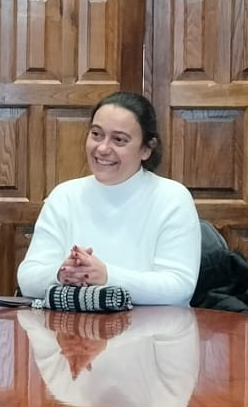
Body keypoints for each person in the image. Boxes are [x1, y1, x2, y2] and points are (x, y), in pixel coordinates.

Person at [16, 91, 200, 306]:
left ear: (147, 149)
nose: (102, 148)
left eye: (119, 140)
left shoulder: (172, 198)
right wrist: (62, 273)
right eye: (96, 134)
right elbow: (27, 279)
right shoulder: (64, 196)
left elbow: (179, 288)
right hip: (71, 326)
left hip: (150, 326)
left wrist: (106, 276)